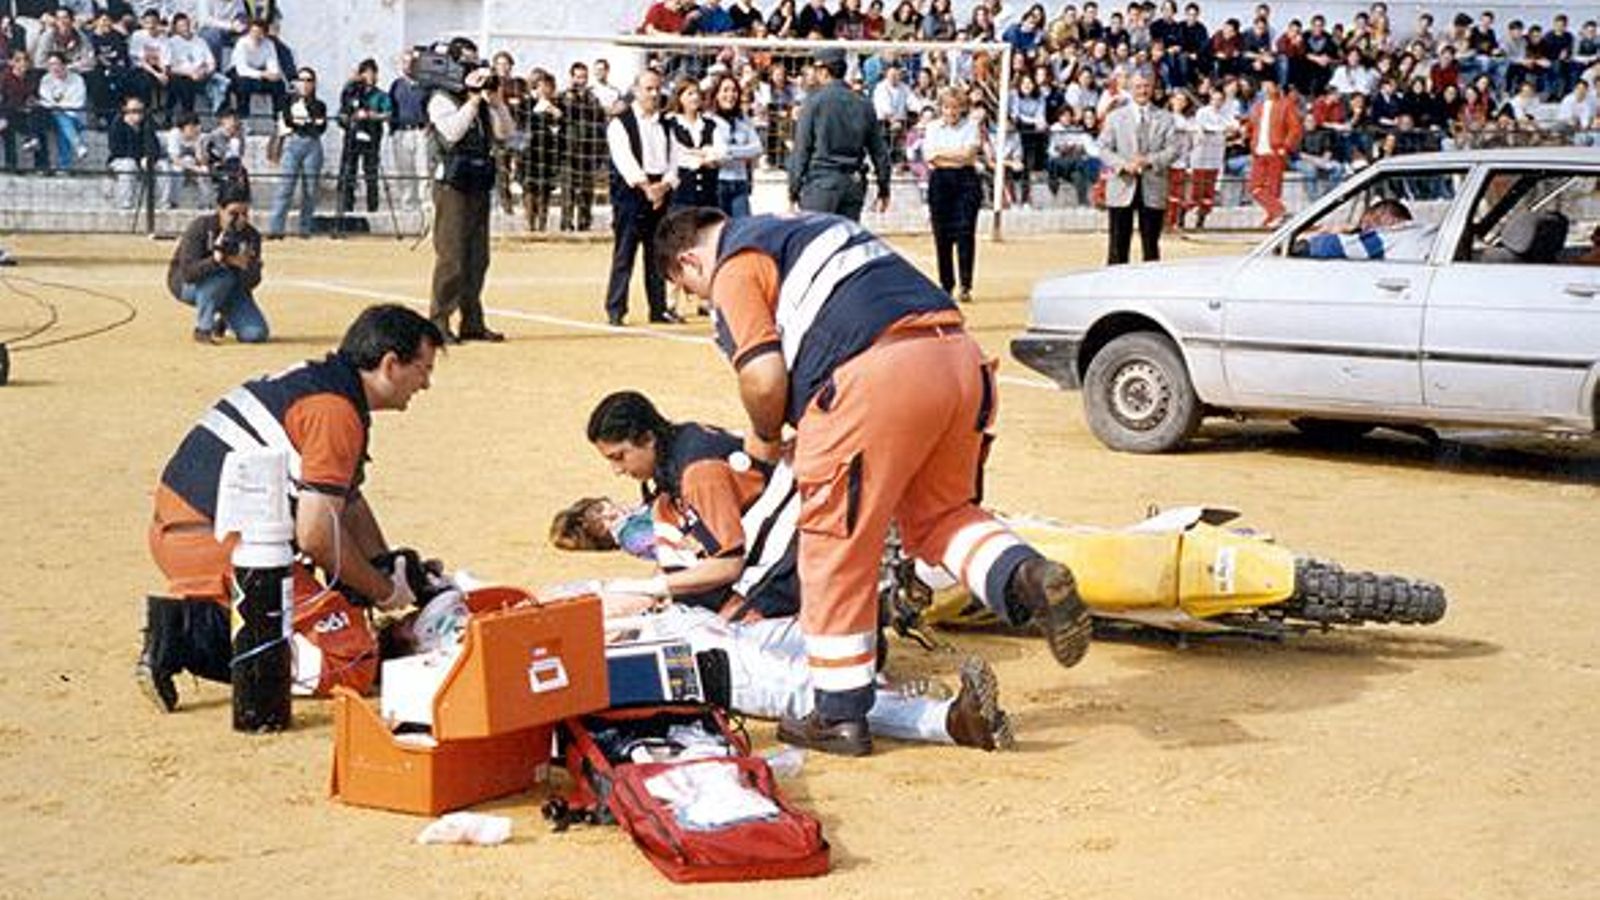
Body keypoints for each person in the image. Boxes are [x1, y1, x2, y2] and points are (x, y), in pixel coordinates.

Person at [653, 207, 1093, 756]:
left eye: (691, 287)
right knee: (943, 516)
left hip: (873, 377)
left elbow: (762, 376)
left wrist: (764, 440)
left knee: (836, 545)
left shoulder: (735, 264)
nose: (702, 300)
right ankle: (1024, 575)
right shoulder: (810, 226)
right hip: (959, 362)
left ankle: (838, 715)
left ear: (690, 260)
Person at [138, 304, 445, 712]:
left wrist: (385, 564)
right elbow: (317, 535)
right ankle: (184, 635)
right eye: (422, 369)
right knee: (352, 660)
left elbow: (346, 503)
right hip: (213, 543)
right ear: (390, 365)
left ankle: (208, 619)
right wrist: (384, 590)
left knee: (345, 601)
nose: (425, 383)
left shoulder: (328, 387)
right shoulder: (335, 412)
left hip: (190, 529)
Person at [428, 38, 513, 343]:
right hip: (453, 184)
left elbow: (506, 133)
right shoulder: (442, 98)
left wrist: (497, 102)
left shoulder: (483, 101)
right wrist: (473, 100)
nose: (473, 69)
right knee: (451, 255)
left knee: (478, 256)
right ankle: (438, 321)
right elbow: (451, 132)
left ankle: (472, 321)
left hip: (479, 181)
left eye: (476, 63)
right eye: (466, 63)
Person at [604, 68, 679, 327]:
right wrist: (647, 188)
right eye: (649, 89)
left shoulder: (667, 124)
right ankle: (616, 309)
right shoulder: (620, 123)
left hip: (660, 192)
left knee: (657, 255)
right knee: (625, 253)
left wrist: (664, 186)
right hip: (631, 195)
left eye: (657, 89)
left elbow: (674, 161)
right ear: (636, 91)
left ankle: (657, 309)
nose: (654, 94)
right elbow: (625, 161)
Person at [787, 47, 891, 222]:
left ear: (824, 71)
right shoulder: (863, 103)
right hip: (854, 183)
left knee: (817, 241)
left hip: (822, 184)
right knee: (846, 243)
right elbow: (879, 151)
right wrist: (884, 187)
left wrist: (793, 188)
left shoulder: (814, 102)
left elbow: (801, 149)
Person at [167, 181, 266, 344]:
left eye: (245, 213)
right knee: (222, 277)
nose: (241, 220)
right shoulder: (200, 227)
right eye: (234, 214)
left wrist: (247, 267)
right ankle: (203, 328)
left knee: (256, 334)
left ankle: (224, 319)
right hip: (187, 285)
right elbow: (188, 274)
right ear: (220, 209)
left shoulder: (251, 235)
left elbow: (252, 283)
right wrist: (216, 260)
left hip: (231, 287)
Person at [1098, 73, 1177, 265]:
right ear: (1130, 88)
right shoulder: (1115, 117)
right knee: (1117, 245)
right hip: (1122, 185)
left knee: (1151, 245)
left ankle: (1149, 289)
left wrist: (1149, 161)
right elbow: (1103, 148)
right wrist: (1124, 165)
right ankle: (1113, 285)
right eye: (1138, 86)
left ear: (1152, 88)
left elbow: (1173, 150)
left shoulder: (1166, 118)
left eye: (1146, 86)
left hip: (1153, 185)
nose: (1143, 91)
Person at [922, 87, 982, 303]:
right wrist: (954, 157)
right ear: (941, 108)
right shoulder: (932, 127)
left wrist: (945, 155)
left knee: (966, 232)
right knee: (942, 235)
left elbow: (969, 157)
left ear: (962, 108)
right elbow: (931, 157)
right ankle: (946, 285)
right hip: (941, 181)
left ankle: (965, 284)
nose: (951, 112)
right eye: (947, 107)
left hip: (966, 180)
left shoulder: (972, 126)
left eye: (955, 108)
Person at [267, 67, 326, 239]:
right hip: (293, 143)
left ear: (313, 84)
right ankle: (276, 229)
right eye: (302, 80)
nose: (305, 84)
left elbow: (320, 127)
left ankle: (305, 229)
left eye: (309, 80)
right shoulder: (287, 101)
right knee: (285, 187)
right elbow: (288, 122)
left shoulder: (319, 104)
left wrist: (303, 123)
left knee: (310, 189)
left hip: (312, 144)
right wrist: (308, 123)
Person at [1294, 198, 1437, 261]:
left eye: (1367, 224)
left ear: (1386, 217)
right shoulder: (1426, 230)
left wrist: (1298, 243)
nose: (1364, 230)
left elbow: (1327, 247)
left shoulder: (1388, 236)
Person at [336, 58, 391, 219]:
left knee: (371, 174)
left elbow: (388, 114)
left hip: (372, 138)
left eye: (373, 73)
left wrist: (371, 115)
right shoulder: (352, 93)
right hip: (352, 138)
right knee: (348, 173)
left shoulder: (381, 95)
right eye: (366, 73)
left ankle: (373, 211)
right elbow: (342, 112)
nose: (370, 76)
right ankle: (347, 210)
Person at [1245, 78, 1301, 229]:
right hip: (1258, 151)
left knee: (1274, 188)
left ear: (1276, 87)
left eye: (1269, 86)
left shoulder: (1286, 104)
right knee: (1255, 187)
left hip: (1276, 151)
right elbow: (1250, 126)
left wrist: (1286, 147)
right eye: (1264, 86)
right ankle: (1279, 211)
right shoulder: (1257, 106)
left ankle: (1272, 217)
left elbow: (1295, 128)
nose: (1266, 89)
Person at [558, 61, 606, 233]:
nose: (581, 80)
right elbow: (561, 114)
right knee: (568, 191)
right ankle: (566, 225)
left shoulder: (593, 98)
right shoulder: (563, 97)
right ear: (571, 78)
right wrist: (571, 94)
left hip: (588, 152)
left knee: (586, 192)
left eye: (584, 77)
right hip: (568, 152)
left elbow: (600, 123)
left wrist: (599, 153)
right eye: (578, 77)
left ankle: (584, 225)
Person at [708, 73, 760, 219]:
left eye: (734, 90)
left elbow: (757, 148)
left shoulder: (743, 119)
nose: (730, 95)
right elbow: (717, 154)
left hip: (740, 182)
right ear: (716, 94)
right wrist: (744, 153)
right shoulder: (709, 120)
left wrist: (729, 152)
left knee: (743, 229)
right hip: (718, 183)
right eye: (725, 90)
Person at [387, 50, 431, 212]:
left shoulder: (425, 85)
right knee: (404, 170)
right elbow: (390, 107)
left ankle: (425, 203)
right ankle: (407, 205)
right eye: (405, 62)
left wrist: (429, 125)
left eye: (412, 62)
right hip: (401, 132)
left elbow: (431, 106)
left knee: (423, 169)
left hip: (420, 132)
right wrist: (392, 130)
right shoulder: (396, 85)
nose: (408, 65)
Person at [520, 68, 564, 233]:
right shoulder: (526, 104)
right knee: (529, 189)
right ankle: (529, 225)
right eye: (542, 86)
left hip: (549, 155)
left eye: (549, 87)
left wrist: (558, 116)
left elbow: (562, 128)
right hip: (529, 154)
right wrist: (538, 111)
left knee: (545, 191)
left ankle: (542, 226)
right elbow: (521, 124)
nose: (546, 90)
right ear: (536, 87)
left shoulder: (556, 106)